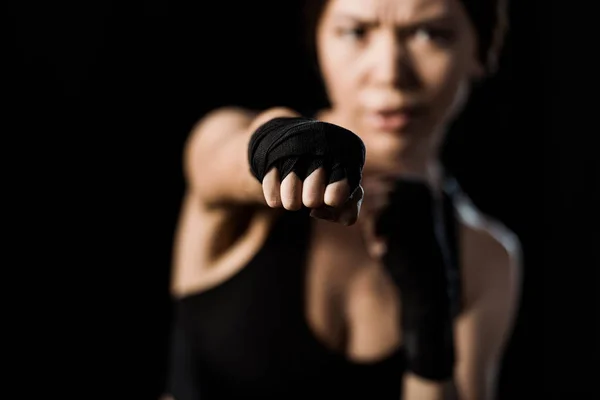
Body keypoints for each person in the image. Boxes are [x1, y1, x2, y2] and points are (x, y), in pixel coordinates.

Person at [164, 0, 521, 399]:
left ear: (482, 51)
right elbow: (217, 157)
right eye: (356, 32)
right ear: (318, 42)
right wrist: (275, 143)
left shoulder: (485, 256)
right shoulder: (227, 147)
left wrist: (429, 331)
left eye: (429, 33)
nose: (389, 74)